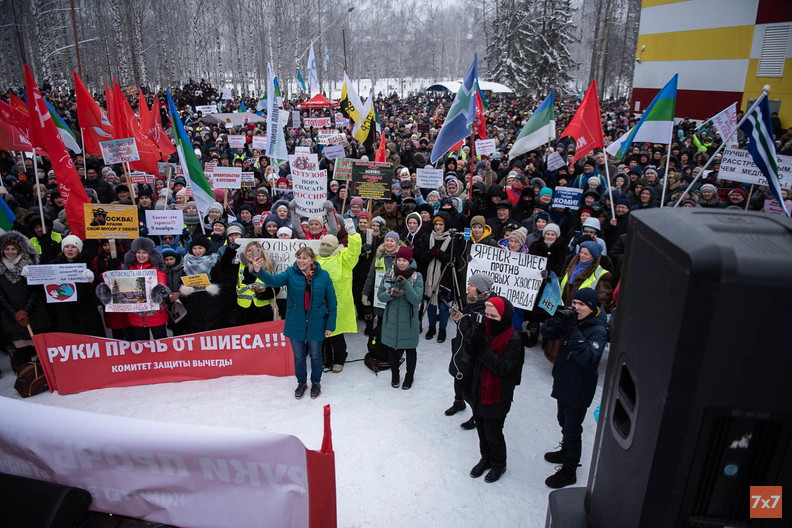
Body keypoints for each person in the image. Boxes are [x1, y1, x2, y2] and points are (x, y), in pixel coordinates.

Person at [540, 288, 607, 488]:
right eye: (575, 303)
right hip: (564, 380)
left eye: (582, 305)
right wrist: (557, 320)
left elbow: (588, 358)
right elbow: (547, 332)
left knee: (572, 428)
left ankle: (570, 469)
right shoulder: (573, 320)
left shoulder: (598, 331)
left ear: (592, 308)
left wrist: (573, 331)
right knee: (563, 420)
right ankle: (566, 450)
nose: (577, 308)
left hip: (580, 387)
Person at [253, 247, 337, 399]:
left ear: (312, 260)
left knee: (316, 356)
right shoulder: (291, 273)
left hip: (316, 322)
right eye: (299, 257)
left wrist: (330, 325)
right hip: (295, 321)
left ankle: (316, 383)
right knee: (299, 357)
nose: (300, 261)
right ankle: (301, 383)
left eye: (304, 258)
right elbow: (274, 280)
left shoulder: (323, 275)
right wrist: (259, 271)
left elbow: (332, 301)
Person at [465, 296, 523, 483]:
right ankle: (486, 458)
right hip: (478, 390)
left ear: (504, 317)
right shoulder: (485, 330)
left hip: (497, 395)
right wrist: (474, 340)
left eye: (494, 316)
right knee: (481, 430)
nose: (489, 320)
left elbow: (503, 368)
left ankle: (499, 463)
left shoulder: (513, 339)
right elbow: (471, 355)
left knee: (493, 433)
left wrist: (482, 349)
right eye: (487, 315)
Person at [97, 237, 170, 340]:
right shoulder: (128, 268)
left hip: (156, 315)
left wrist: (159, 290)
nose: (141, 255)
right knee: (141, 345)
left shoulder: (156, 268)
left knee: (161, 343)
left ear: (150, 254)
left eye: (144, 252)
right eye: (138, 252)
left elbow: (162, 280)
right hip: (136, 317)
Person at [447, 272, 494, 431]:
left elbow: (474, 336)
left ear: (481, 290)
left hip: (472, 354)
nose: (468, 287)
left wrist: (461, 320)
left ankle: (476, 415)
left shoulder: (486, 309)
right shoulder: (473, 301)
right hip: (461, 349)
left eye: (472, 285)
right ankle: (458, 402)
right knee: (458, 375)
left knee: (471, 385)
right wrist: (460, 316)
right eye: (469, 283)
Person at [1, 231, 51, 371]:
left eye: (13, 249)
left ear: (19, 249)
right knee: (21, 354)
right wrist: (15, 314)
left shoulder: (30, 266)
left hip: (34, 314)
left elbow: (36, 292)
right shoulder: (0, 269)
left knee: (40, 351)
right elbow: (1, 297)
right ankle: (27, 380)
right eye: (7, 249)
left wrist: (26, 310)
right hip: (13, 318)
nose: (10, 252)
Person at [316, 219, 361, 373]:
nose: (325, 247)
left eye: (329, 245)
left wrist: (353, 235)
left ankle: (339, 359)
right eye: (323, 244)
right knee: (322, 334)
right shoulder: (314, 259)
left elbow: (354, 252)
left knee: (336, 334)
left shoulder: (343, 259)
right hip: (319, 304)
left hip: (338, 303)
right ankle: (326, 359)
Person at [377, 246, 424, 389]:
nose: (402, 263)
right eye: (399, 260)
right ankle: (395, 375)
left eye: (405, 260)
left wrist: (406, 285)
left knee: (410, 349)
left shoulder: (417, 276)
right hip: (391, 319)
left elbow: (416, 299)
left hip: (409, 321)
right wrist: (391, 293)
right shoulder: (389, 273)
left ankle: (409, 377)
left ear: (410, 261)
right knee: (391, 349)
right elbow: (380, 296)